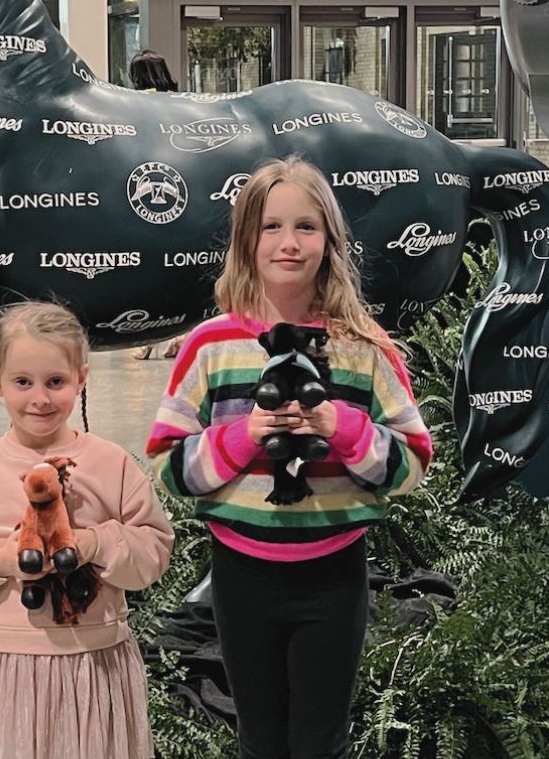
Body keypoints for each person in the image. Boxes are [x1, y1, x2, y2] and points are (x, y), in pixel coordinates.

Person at [145, 157, 433, 759]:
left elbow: (411, 465)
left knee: (319, 743)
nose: (289, 243)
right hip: (240, 575)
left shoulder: (364, 347)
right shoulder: (210, 346)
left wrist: (343, 427)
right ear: (246, 240)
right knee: (260, 741)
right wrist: (244, 435)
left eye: (306, 227)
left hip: (334, 576)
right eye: (271, 227)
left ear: (330, 241)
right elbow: (170, 467)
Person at [0, 301, 174, 759]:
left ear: (82, 378)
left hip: (96, 672)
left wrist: (95, 543)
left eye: (56, 382)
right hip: (2, 673)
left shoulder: (112, 463)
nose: (40, 398)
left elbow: (153, 549)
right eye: (22, 382)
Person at [128, 50, 182, 359]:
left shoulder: (133, 106)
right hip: (182, 193)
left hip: (146, 196)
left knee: (148, 275)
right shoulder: (179, 103)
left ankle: (148, 340)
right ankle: (179, 335)